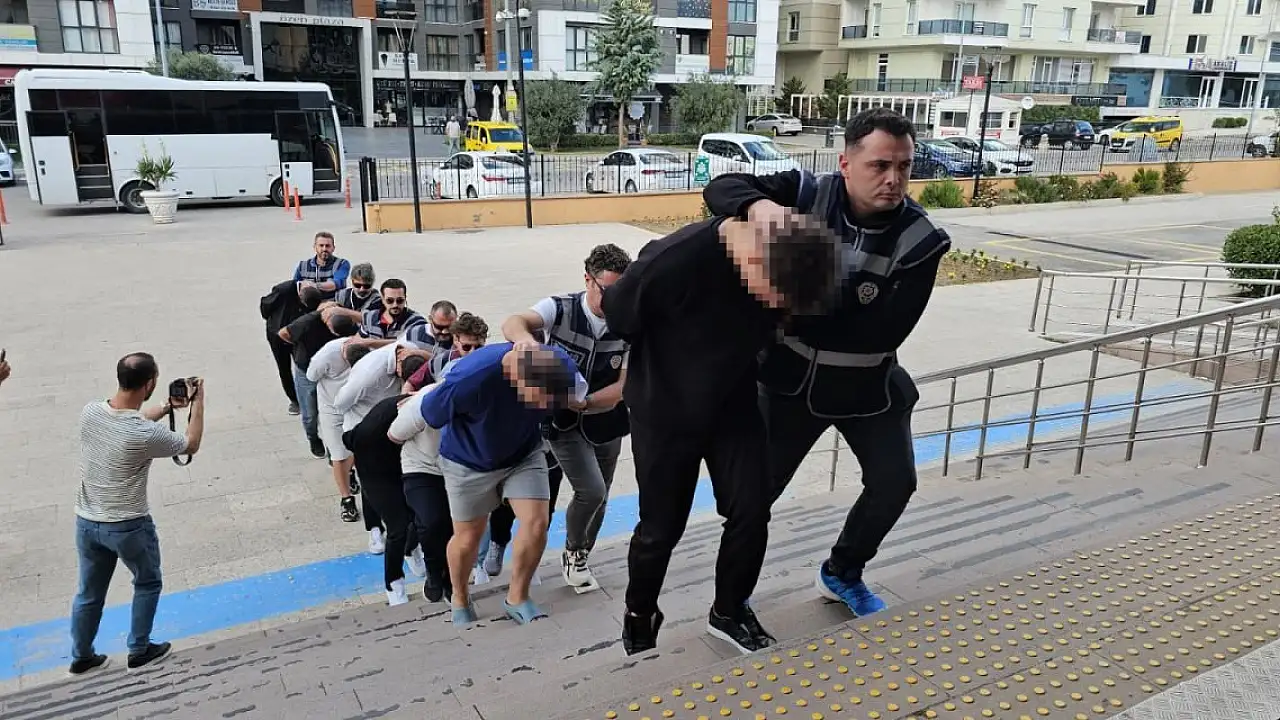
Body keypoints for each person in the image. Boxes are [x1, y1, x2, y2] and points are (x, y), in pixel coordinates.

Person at [702, 107, 951, 618]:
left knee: (895, 483)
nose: (894, 178)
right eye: (880, 165)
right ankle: (731, 600)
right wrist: (762, 210)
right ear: (845, 163)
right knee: (753, 499)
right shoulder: (806, 192)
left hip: (868, 386)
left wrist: (789, 299)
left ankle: (842, 571)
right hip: (788, 385)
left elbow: (884, 330)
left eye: (904, 166)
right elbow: (721, 189)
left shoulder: (922, 239)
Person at [602, 214, 843, 656]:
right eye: (774, 294)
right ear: (751, 259)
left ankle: (729, 610)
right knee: (661, 527)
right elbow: (617, 314)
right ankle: (640, 612)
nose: (777, 306)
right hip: (665, 411)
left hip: (734, 406)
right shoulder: (673, 260)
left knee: (751, 510)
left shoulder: (787, 251)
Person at [420, 344, 585, 627]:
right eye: (537, 400)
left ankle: (517, 597)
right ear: (516, 378)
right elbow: (430, 413)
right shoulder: (471, 377)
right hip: (468, 460)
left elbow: (577, 395)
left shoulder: (559, 364)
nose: (544, 407)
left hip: (523, 453)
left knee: (536, 523)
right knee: (468, 537)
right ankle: (460, 596)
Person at [501, 244, 632, 590]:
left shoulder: (630, 320)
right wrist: (525, 341)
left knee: (601, 496)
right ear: (588, 280)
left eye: (622, 291)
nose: (615, 299)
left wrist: (586, 403)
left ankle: (581, 552)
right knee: (591, 490)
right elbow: (514, 322)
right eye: (607, 290)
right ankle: (569, 549)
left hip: (605, 418)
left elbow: (624, 386)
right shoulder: (560, 308)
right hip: (562, 422)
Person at [70, 354, 206, 675]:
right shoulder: (143, 435)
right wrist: (198, 403)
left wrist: (167, 407)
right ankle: (139, 649)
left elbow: (131, 419)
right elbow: (190, 443)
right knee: (147, 582)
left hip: (87, 521)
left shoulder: (91, 412)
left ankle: (82, 657)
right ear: (150, 383)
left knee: (89, 593)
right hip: (128, 525)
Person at [391, 311, 488, 602]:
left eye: (478, 347)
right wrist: (414, 401)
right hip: (425, 460)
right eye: (466, 346)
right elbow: (408, 389)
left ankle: (455, 576)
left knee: (459, 524)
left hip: (463, 462)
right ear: (456, 341)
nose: (472, 353)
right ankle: (434, 572)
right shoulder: (438, 366)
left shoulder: (489, 369)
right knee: (432, 522)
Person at [335, 341, 432, 553]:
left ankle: (405, 530)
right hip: (364, 429)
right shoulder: (368, 374)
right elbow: (340, 403)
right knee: (372, 480)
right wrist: (370, 414)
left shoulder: (409, 351)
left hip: (394, 421)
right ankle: (375, 529)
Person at [343, 393, 423, 605]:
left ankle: (410, 547)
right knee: (398, 527)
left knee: (425, 514)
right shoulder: (379, 425)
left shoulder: (418, 405)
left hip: (405, 463)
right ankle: (393, 582)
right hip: (376, 472)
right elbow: (350, 439)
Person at [278, 310, 362, 458]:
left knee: (336, 414)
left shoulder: (345, 325)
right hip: (306, 368)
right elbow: (283, 333)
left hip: (331, 373)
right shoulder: (307, 322)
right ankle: (313, 437)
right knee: (310, 412)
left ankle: (333, 449)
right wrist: (298, 347)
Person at [308, 339, 375, 522]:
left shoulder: (369, 349)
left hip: (356, 406)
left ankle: (349, 471)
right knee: (338, 455)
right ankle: (346, 499)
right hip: (332, 409)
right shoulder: (326, 355)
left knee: (356, 448)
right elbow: (311, 376)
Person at [261, 281, 322, 415]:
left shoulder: (314, 295)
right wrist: (275, 321)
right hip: (277, 336)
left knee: (303, 364)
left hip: (298, 337)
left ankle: (309, 397)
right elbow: (265, 306)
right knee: (284, 368)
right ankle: (294, 400)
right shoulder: (283, 290)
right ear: (300, 296)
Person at [358, 279, 427, 340]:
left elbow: (408, 343)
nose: (395, 305)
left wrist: (370, 343)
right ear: (382, 300)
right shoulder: (369, 317)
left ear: (405, 298)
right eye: (390, 300)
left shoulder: (416, 321)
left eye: (400, 300)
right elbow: (358, 340)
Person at [294, 231, 351, 302]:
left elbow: (336, 284)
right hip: (307, 304)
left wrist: (313, 285)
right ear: (315, 247)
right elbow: (295, 287)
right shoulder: (302, 266)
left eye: (328, 246)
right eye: (321, 245)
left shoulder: (342, 264)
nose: (324, 249)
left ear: (333, 248)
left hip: (333, 304)